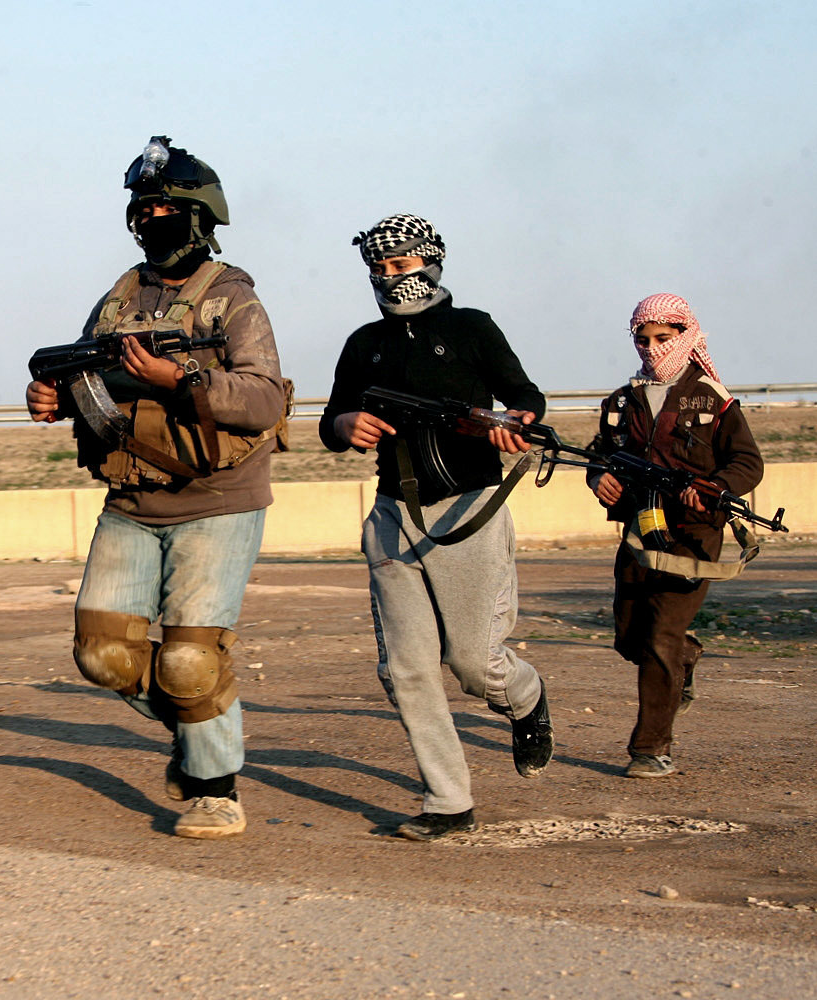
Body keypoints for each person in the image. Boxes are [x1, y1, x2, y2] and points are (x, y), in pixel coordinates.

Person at [25, 136, 289, 839]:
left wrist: (183, 381)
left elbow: (264, 400)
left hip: (217, 499)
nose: (154, 218)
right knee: (103, 655)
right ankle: (195, 721)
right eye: (143, 207)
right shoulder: (118, 301)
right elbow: (85, 383)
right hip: (132, 500)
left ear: (202, 216)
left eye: (169, 206)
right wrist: (52, 400)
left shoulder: (231, 300)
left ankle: (215, 787)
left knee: (191, 658)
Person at [318, 214, 553, 841]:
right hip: (395, 516)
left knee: (474, 664)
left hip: (468, 511)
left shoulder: (471, 327)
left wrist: (517, 422)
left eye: (400, 265)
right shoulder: (364, 342)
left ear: (429, 262)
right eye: (379, 268)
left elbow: (525, 395)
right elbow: (333, 414)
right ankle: (448, 799)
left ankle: (525, 697)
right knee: (406, 669)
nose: (390, 277)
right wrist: (345, 427)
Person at [587, 293, 763, 779]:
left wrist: (715, 489)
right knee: (630, 637)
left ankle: (650, 748)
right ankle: (686, 657)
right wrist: (598, 477)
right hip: (641, 529)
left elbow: (748, 462)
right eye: (642, 340)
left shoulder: (712, 398)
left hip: (694, 535)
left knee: (661, 634)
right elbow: (600, 454)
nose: (651, 348)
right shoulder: (623, 402)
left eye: (663, 338)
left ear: (685, 335)